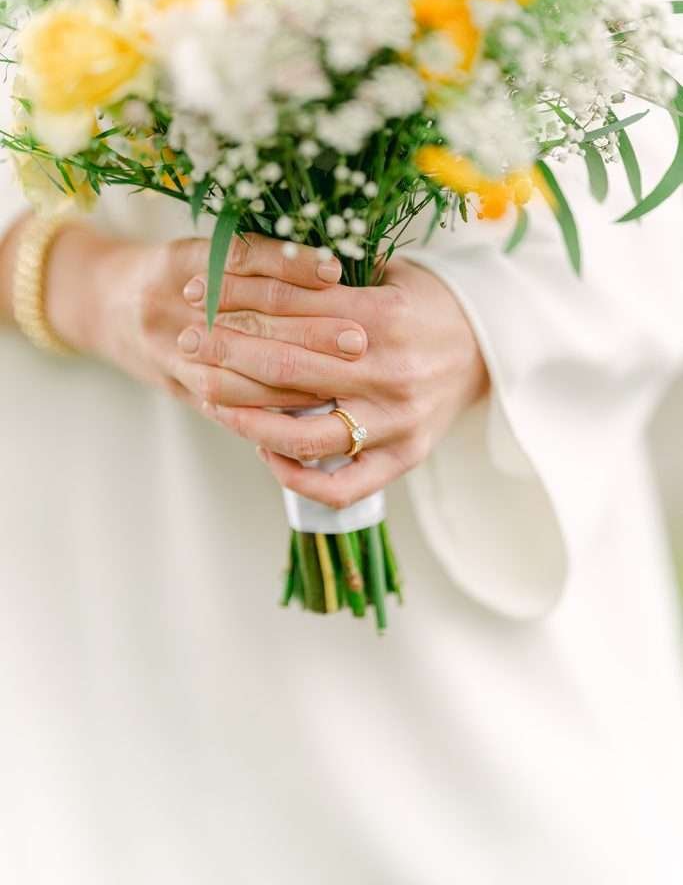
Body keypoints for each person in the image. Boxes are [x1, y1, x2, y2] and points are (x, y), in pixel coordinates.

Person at [1, 49, 683, 884]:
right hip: (101, 507)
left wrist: (482, 327)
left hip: (470, 537)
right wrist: (75, 283)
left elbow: (647, 80)